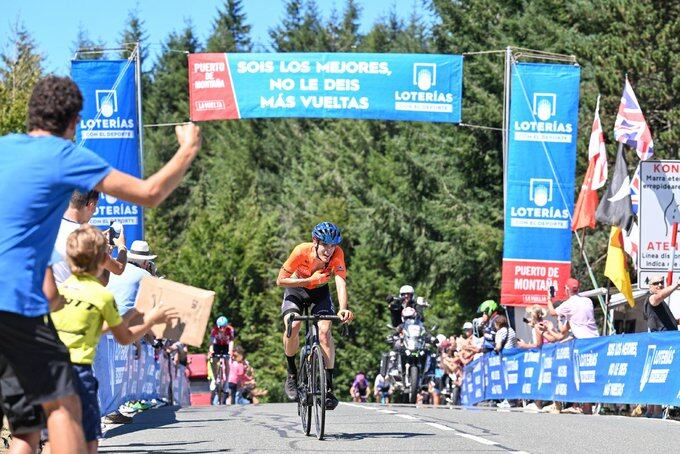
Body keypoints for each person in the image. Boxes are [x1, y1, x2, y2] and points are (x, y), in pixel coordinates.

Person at [0, 75, 200, 454]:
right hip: (15, 306)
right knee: (65, 406)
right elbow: (150, 193)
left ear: (31, 115)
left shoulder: (5, 148)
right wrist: (188, 149)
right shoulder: (65, 155)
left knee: (25, 428)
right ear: (74, 122)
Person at [50, 225, 176, 453]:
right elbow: (125, 337)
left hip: (52, 371)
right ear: (101, 259)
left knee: (55, 436)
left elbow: (95, 328)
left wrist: (133, 312)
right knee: (88, 439)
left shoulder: (58, 290)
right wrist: (149, 320)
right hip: (79, 373)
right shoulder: (101, 296)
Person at [277, 222, 354, 410]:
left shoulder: (337, 254)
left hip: (320, 293)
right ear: (315, 242)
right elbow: (280, 280)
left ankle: (328, 388)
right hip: (296, 289)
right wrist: (309, 280)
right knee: (293, 326)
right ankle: (292, 373)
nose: (329, 250)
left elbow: (340, 281)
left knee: (325, 332)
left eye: (332, 245)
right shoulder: (301, 251)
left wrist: (343, 308)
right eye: (325, 245)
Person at [53, 190, 127, 286]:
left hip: (51, 296)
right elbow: (117, 270)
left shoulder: (50, 227)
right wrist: (122, 247)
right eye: (95, 208)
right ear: (91, 205)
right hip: (76, 297)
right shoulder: (87, 238)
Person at [643, 274, 679, 418]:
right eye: (656, 283)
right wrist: (675, 285)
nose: (659, 285)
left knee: (657, 375)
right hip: (662, 343)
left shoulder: (659, 302)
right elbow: (656, 298)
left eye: (661, 283)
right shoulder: (652, 298)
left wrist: (675, 321)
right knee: (658, 375)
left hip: (666, 341)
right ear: (650, 287)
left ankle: (651, 410)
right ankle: (656, 410)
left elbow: (664, 320)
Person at [106, 241, 159, 318]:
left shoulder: (113, 267)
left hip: (106, 314)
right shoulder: (145, 275)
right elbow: (156, 296)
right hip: (125, 318)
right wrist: (153, 275)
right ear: (145, 262)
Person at [208, 316, 235, 394]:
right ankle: (214, 378)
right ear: (218, 326)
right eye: (220, 327)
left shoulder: (230, 330)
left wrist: (230, 351)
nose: (222, 329)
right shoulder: (214, 330)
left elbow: (231, 341)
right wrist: (211, 351)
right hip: (217, 345)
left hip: (226, 345)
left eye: (224, 327)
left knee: (227, 361)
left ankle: (226, 382)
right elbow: (211, 343)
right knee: (213, 360)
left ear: (226, 326)